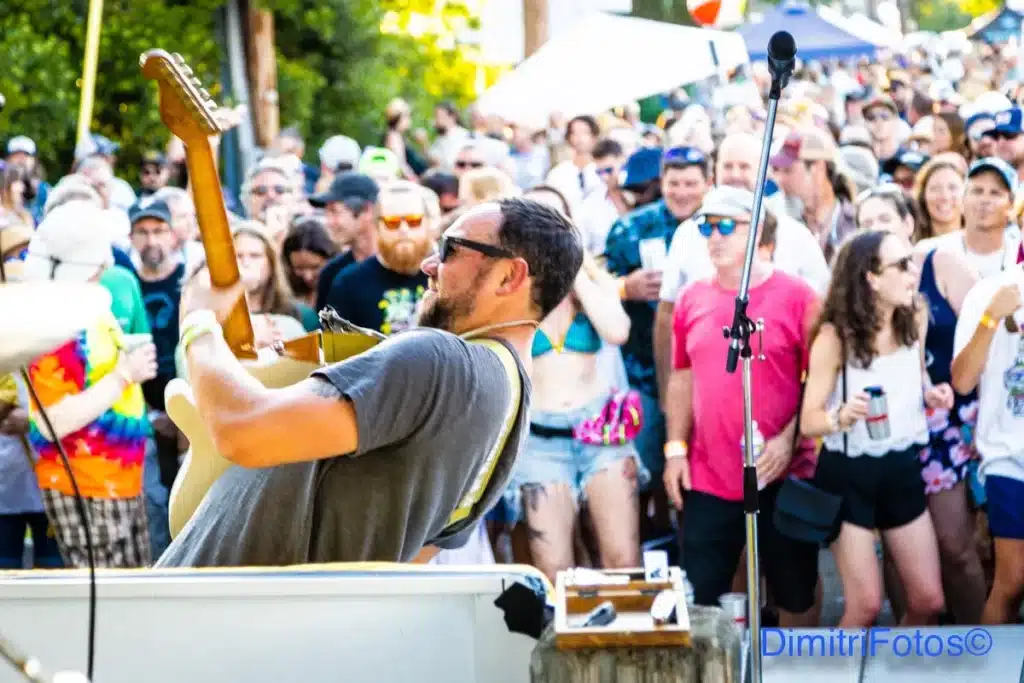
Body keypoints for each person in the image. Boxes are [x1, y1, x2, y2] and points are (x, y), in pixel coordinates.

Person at [155, 198, 584, 566]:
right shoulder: (510, 406)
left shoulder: (437, 357)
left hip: (208, 623)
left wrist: (198, 323)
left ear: (509, 277)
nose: (428, 264)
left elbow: (242, 431)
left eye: (450, 248)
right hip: (276, 639)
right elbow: (411, 560)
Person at [800, 230, 949, 627]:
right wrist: (839, 417)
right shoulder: (835, 336)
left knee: (928, 600)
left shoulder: (914, 313)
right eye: (901, 265)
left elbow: (917, 377)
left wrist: (932, 392)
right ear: (871, 278)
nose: (913, 272)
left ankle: (892, 670)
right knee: (864, 606)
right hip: (849, 471)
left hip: (900, 464)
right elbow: (808, 419)